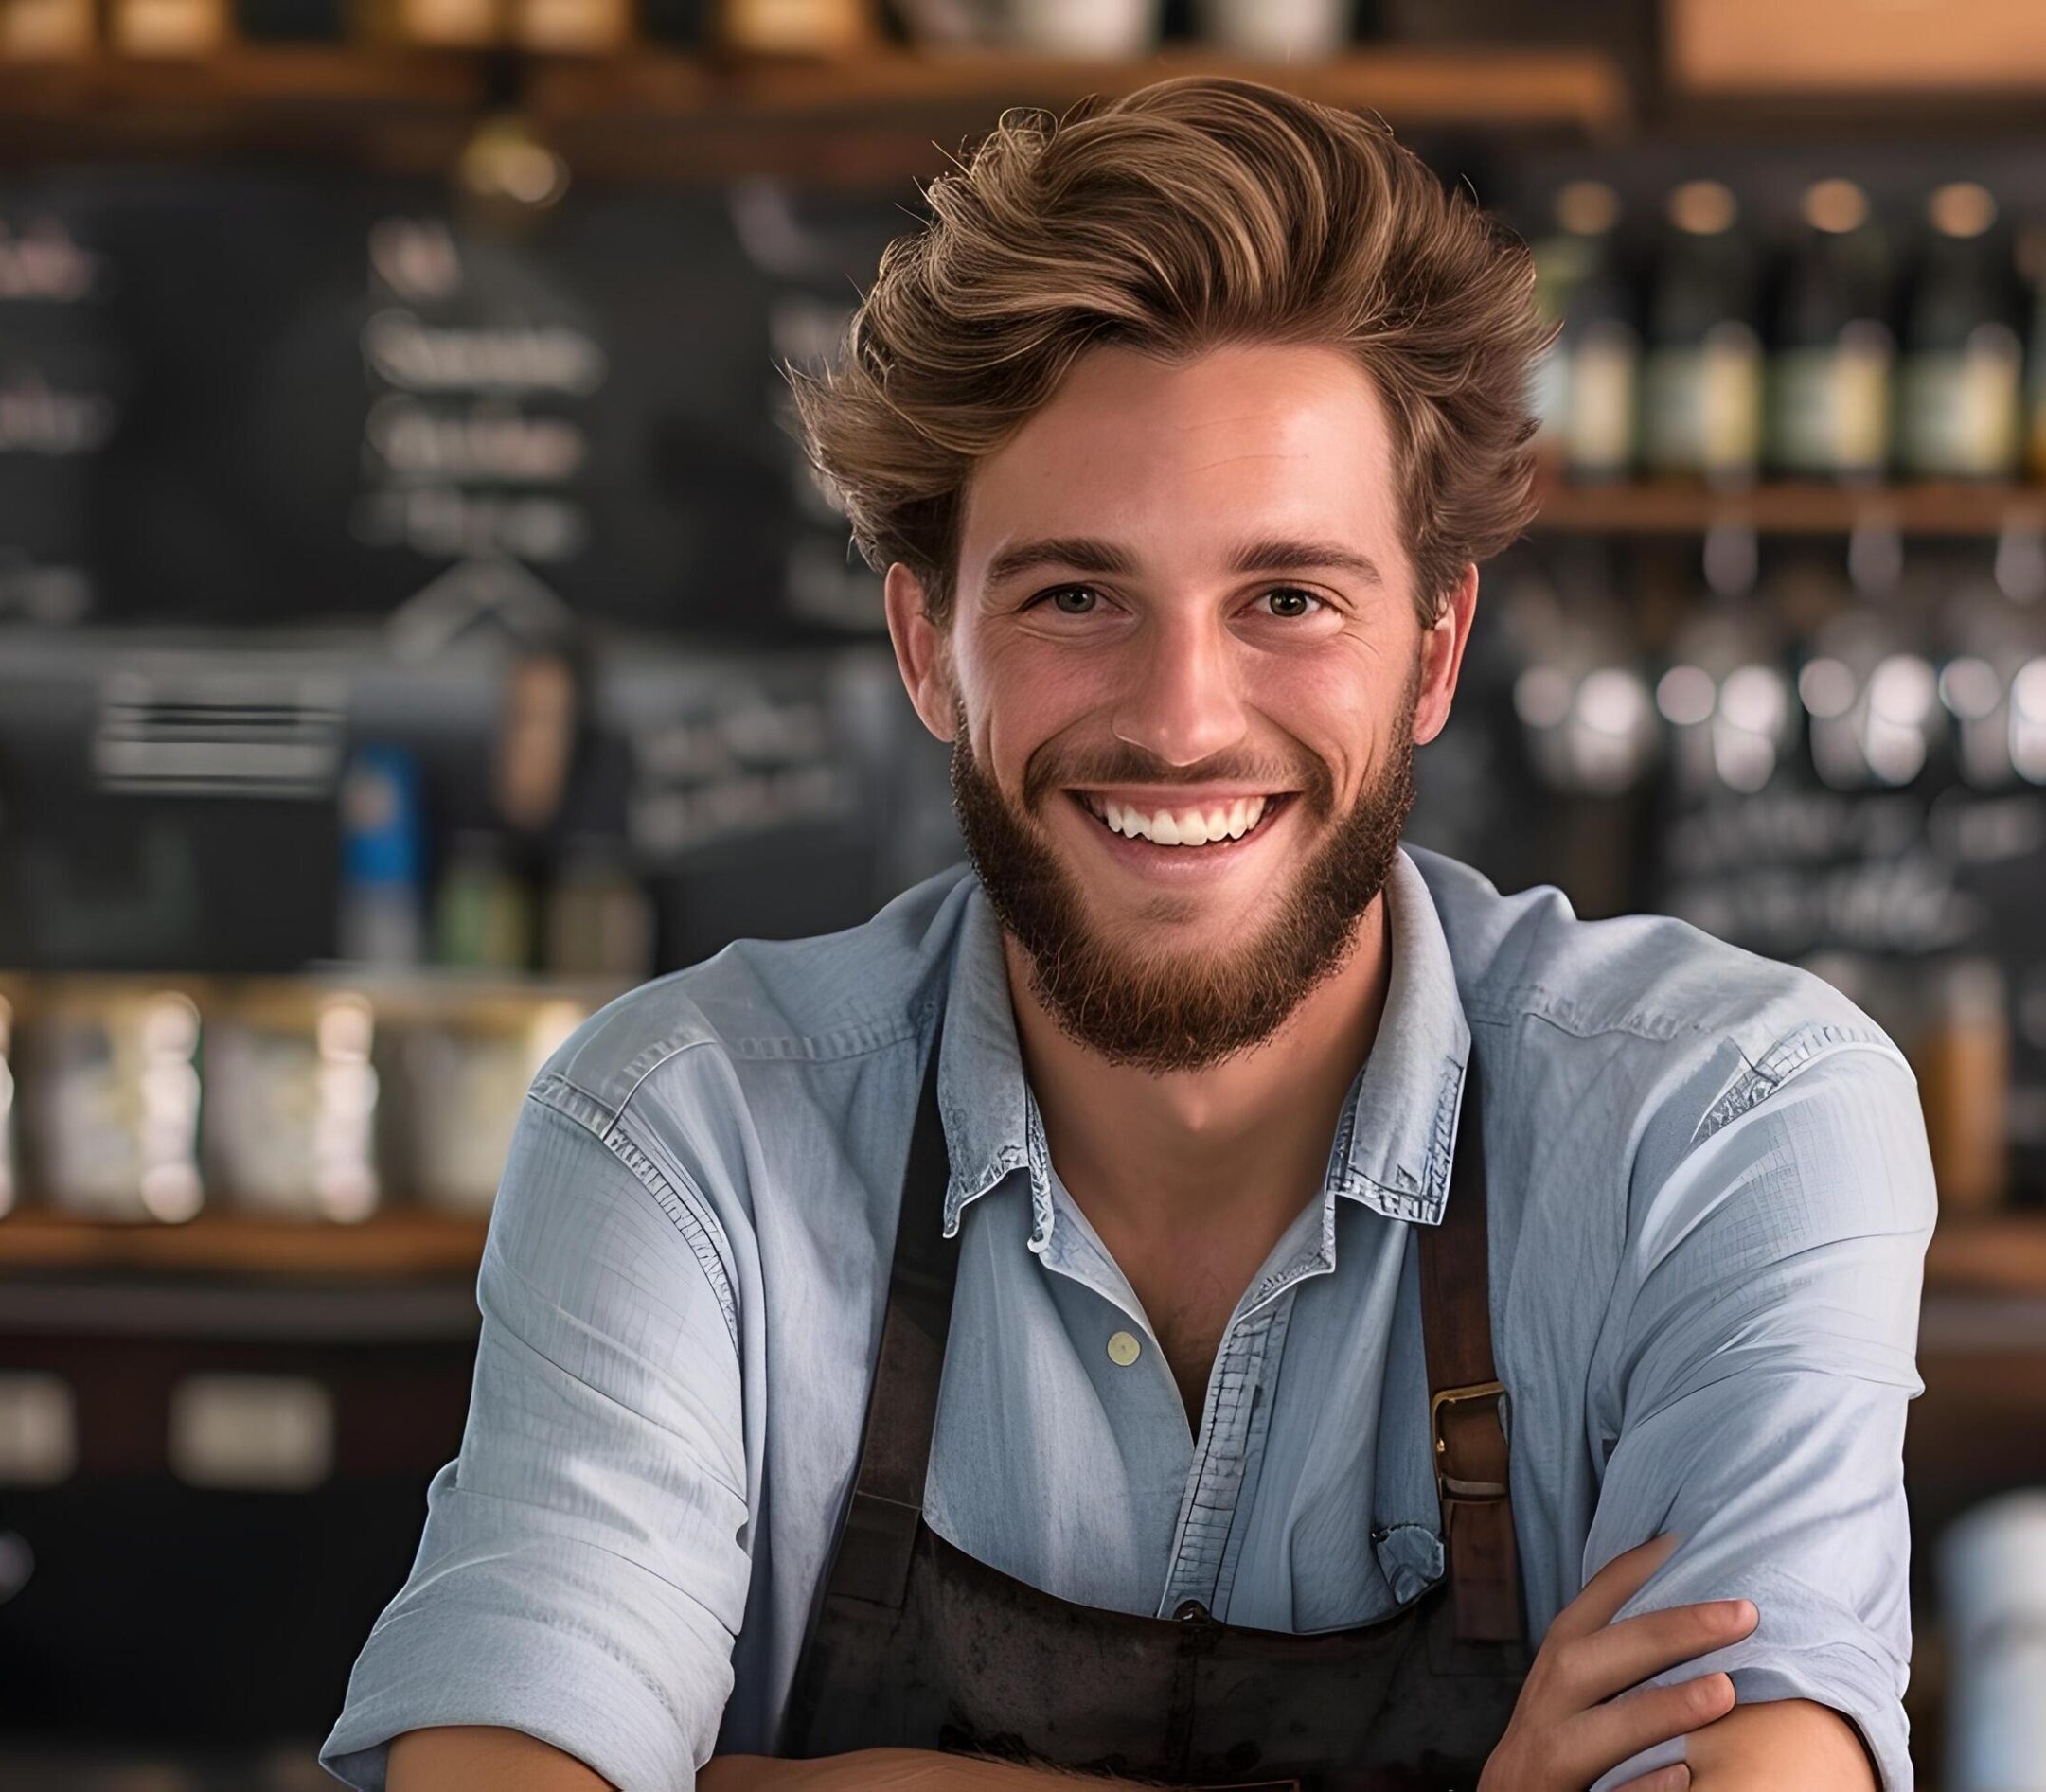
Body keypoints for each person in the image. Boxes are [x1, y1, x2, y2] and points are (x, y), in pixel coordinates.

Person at [327, 76, 1930, 1792]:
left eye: (1288, 599)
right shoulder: (680, 1136)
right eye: (1077, 596)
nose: (1180, 720)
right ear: (930, 645)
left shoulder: (1726, 1121)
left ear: (1437, 651)